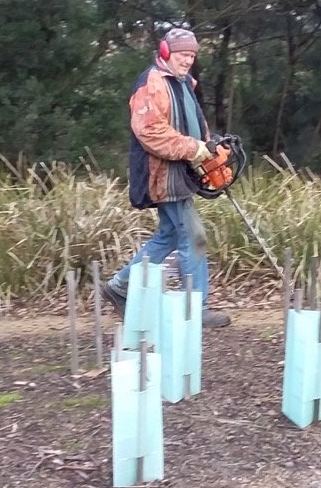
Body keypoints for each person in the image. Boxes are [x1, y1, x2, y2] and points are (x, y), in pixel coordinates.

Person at [99, 28, 231, 328]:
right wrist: (194, 148)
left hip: (181, 170)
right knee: (193, 236)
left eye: (192, 56)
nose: (188, 61)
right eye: (183, 55)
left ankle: (119, 287)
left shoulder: (182, 83)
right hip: (162, 174)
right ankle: (195, 308)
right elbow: (150, 133)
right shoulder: (152, 84)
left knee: (169, 235)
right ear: (166, 52)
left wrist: (210, 149)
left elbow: (193, 125)